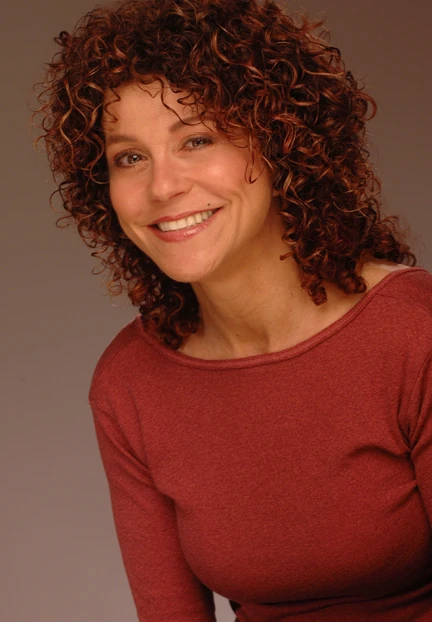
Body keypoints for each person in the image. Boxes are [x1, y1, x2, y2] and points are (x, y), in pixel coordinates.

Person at [34, 0, 432, 619]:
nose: (162, 186)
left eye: (197, 140)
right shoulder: (129, 384)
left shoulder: (413, 334)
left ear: (280, 144)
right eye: (129, 157)